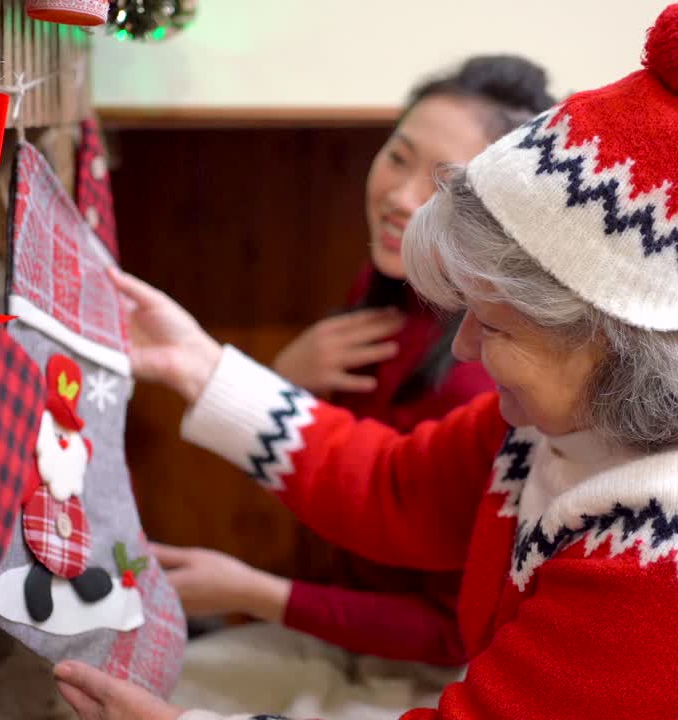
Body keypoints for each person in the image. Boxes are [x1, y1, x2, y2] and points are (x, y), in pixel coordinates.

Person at [55, 1, 678, 718]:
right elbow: (394, 486)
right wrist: (201, 365)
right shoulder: (571, 412)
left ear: (609, 336)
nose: (462, 348)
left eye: (491, 328)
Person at [153, 54, 556, 715]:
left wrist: (254, 593)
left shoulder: (486, 375)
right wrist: (283, 379)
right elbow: (343, 485)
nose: (401, 196)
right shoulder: (387, 296)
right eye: (397, 157)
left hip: (439, 676)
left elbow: (451, 627)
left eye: (443, 184)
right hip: (343, 642)